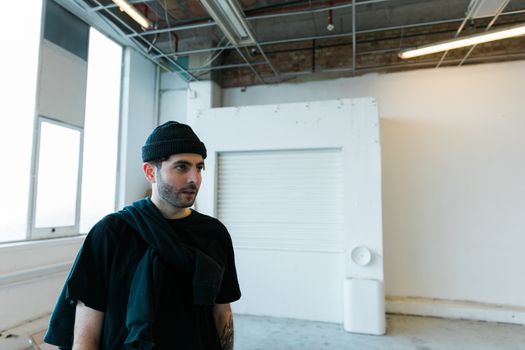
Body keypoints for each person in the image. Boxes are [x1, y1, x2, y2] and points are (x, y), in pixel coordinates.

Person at [44, 121, 241, 350]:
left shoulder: (214, 233)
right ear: (150, 172)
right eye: (181, 167)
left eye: (199, 167)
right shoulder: (111, 232)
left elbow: (221, 312)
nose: (194, 178)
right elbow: (86, 332)